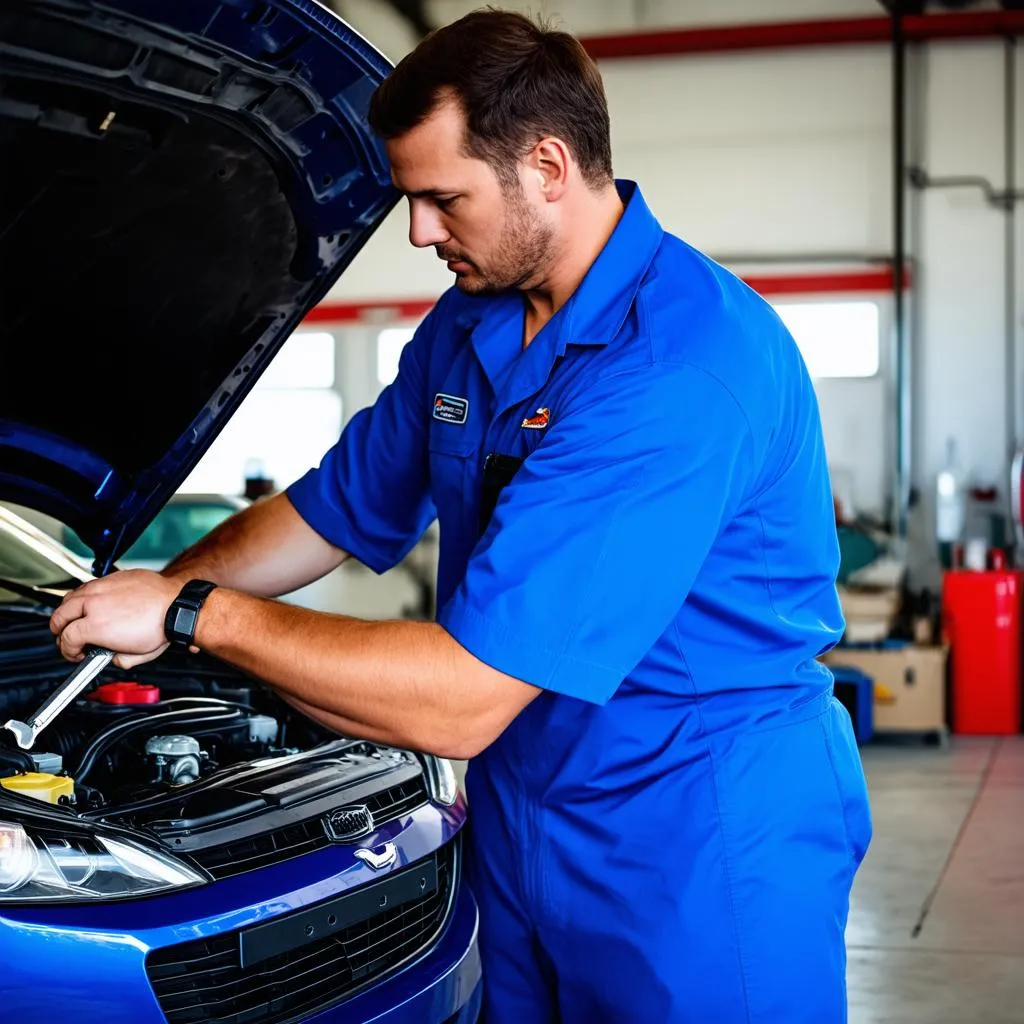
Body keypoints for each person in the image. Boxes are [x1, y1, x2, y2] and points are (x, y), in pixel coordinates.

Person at [50, 10, 872, 1022]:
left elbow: (462, 697)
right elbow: (329, 511)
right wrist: (155, 590)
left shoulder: (679, 368)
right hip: (523, 814)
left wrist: (194, 616)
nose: (418, 232)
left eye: (443, 199)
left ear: (548, 164)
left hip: (698, 835)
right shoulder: (470, 322)